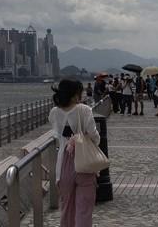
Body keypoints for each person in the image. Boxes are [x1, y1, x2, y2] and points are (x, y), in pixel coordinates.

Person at [50, 78, 101, 227]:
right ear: (74, 95)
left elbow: (56, 133)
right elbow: (94, 135)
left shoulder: (54, 112)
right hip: (83, 161)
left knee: (66, 206)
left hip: (64, 161)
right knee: (84, 208)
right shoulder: (84, 110)